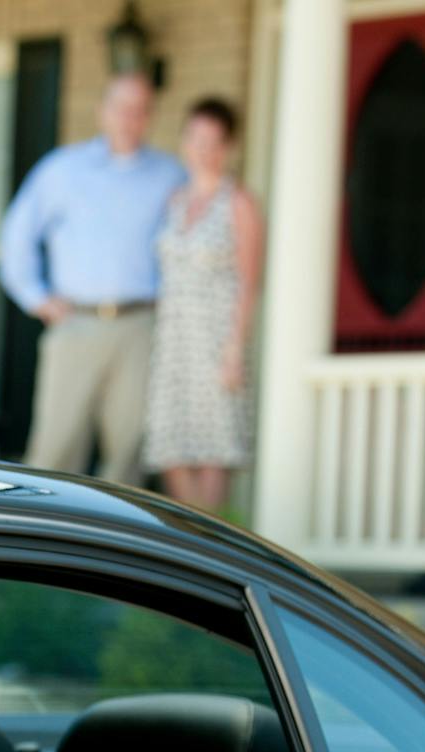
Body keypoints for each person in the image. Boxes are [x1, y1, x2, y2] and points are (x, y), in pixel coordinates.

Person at [0, 72, 187, 483]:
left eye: (139, 110)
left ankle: (116, 547)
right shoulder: (63, 170)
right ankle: (38, 542)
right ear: (102, 111)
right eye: (120, 107)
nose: (128, 119)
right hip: (75, 322)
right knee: (55, 449)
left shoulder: (170, 176)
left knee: (129, 453)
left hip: (140, 326)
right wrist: (36, 298)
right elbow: (17, 236)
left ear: (149, 116)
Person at [143, 97, 264, 514]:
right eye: (196, 139)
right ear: (184, 142)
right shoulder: (174, 201)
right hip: (175, 341)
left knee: (214, 451)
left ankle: (212, 549)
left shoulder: (239, 203)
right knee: (172, 447)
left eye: (214, 142)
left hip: (215, 340)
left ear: (229, 147)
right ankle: (188, 546)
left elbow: (250, 283)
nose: (204, 150)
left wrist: (234, 350)